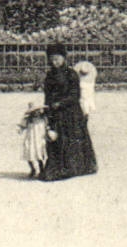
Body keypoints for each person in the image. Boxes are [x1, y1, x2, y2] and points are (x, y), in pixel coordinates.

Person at [38, 42, 97, 181]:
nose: (54, 62)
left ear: (64, 58)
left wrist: (61, 103)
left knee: (71, 139)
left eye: (57, 59)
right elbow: (47, 93)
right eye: (52, 59)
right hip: (54, 111)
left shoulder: (71, 74)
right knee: (54, 138)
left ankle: (74, 167)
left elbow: (75, 94)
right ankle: (56, 167)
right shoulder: (49, 75)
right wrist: (47, 108)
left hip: (70, 112)